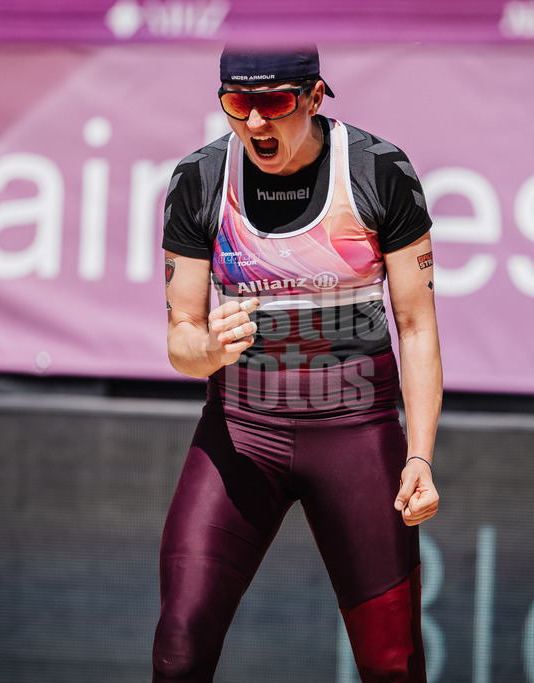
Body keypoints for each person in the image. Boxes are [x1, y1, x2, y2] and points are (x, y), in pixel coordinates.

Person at [155, 43, 442, 682]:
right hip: (240, 431)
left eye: (274, 103)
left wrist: (419, 456)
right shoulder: (200, 180)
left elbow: (417, 327)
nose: (255, 123)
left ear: (314, 97)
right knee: (179, 648)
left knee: (393, 666)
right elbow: (181, 337)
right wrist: (207, 349)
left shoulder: (377, 169)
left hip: (356, 432)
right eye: (238, 104)